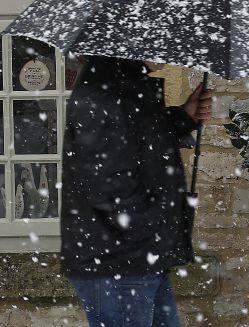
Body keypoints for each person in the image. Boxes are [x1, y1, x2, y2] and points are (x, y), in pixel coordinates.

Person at [60, 56, 213, 327]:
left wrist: (183, 116)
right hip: (119, 261)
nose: (169, 52)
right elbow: (104, 183)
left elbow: (139, 142)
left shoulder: (126, 84)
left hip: (137, 258)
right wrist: (150, 225)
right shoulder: (104, 91)